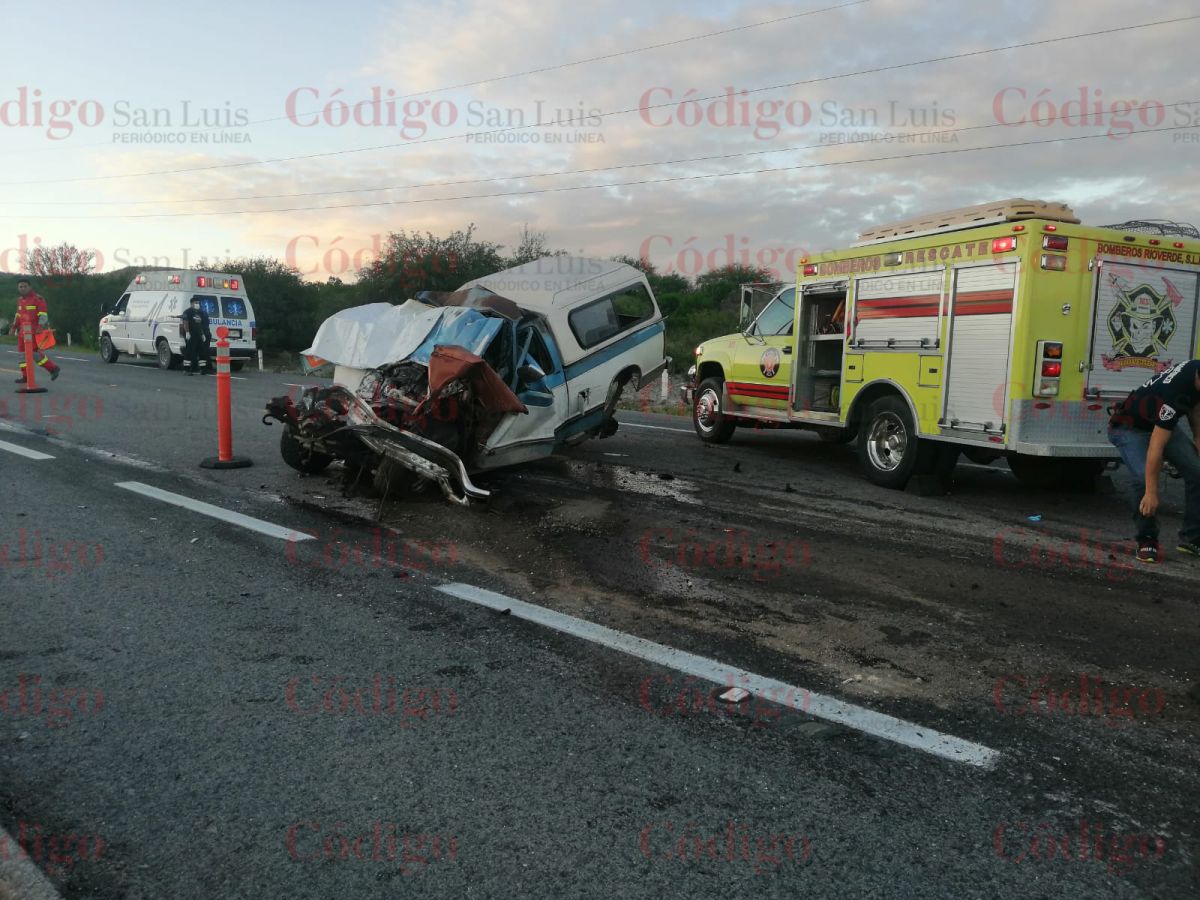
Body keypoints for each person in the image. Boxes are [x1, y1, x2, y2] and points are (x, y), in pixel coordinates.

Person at [1107, 359, 1200, 563]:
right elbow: (1155, 447)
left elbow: (1195, 407)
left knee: (1197, 471)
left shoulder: (1196, 368)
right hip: (1129, 428)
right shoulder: (1173, 396)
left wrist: (1197, 441)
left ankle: (1192, 538)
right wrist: (1152, 493)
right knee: (1143, 479)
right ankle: (1147, 538)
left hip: (1157, 423)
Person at [11, 278, 60, 383]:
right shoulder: (20, 300)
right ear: (18, 288)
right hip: (22, 333)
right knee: (21, 355)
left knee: (34, 354)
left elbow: (43, 315)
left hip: (33, 332)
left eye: (25, 286)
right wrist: (13, 327)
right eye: (21, 286)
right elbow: (18, 315)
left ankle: (52, 368)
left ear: (30, 287)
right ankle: (25, 376)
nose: (23, 288)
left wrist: (40, 327)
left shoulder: (37, 299)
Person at [179, 297, 211, 375]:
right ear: (191, 303)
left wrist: (202, 334)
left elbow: (200, 324)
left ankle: (203, 369)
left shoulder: (200, 312)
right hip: (191, 335)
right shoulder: (187, 312)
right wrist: (187, 332)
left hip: (199, 335)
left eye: (198, 303)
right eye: (196, 303)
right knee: (189, 352)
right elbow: (185, 322)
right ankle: (186, 370)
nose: (197, 304)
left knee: (202, 352)